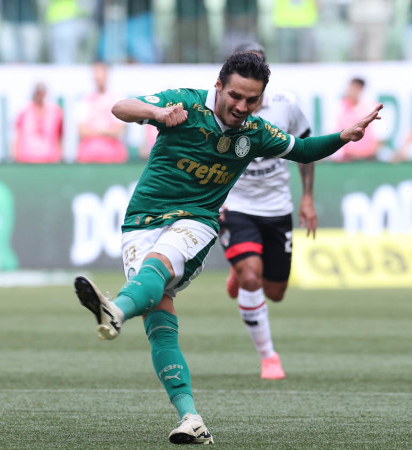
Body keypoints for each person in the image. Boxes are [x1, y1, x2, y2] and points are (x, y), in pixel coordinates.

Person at [73, 51, 381, 444]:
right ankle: (191, 417)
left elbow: (303, 150)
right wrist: (155, 113)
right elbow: (121, 106)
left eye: (252, 100)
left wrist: (345, 136)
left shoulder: (255, 132)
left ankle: (114, 310)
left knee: (159, 265)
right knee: (159, 323)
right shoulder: (185, 102)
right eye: (235, 95)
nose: (242, 106)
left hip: (197, 221)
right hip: (140, 222)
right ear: (218, 86)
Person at [219, 42, 316, 381]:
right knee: (250, 276)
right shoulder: (221, 104)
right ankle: (269, 357)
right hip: (236, 204)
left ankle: (243, 271)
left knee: (274, 292)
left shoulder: (285, 104)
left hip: (276, 207)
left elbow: (305, 147)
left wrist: (307, 198)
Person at [75, 62, 127, 163]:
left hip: (113, 155)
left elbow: (118, 131)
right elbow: (81, 131)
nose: (99, 80)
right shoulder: (86, 99)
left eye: (101, 76)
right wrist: (105, 131)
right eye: (96, 76)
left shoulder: (117, 100)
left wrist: (95, 131)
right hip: (88, 154)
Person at [330, 77, 381, 162]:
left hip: (368, 159)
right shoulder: (341, 107)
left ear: (360, 89)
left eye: (354, 88)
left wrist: (369, 155)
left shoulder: (370, 107)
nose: (350, 91)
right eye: (350, 88)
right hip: (345, 159)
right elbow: (333, 132)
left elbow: (380, 137)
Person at [12, 82, 63, 163]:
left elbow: (60, 137)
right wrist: (15, 156)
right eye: (38, 93)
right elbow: (17, 136)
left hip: (50, 160)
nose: (40, 96)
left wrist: (60, 156)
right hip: (27, 160)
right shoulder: (24, 111)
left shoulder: (55, 111)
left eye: (42, 93)